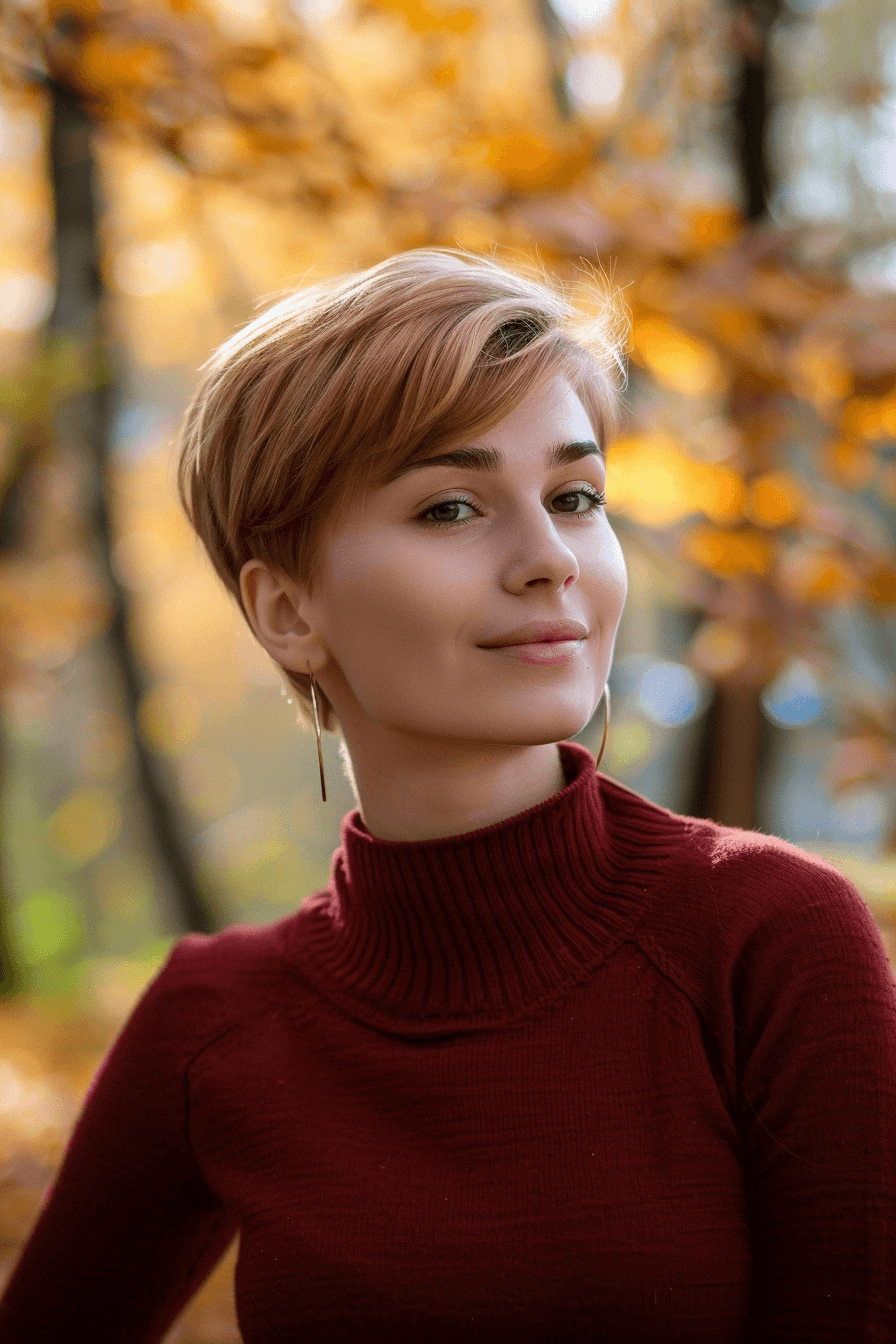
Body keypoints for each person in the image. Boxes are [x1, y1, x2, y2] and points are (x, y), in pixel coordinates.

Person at [0, 249, 894, 1343]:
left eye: (574, 496)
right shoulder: (212, 1024)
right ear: (286, 612)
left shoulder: (767, 936)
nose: (547, 559)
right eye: (451, 508)